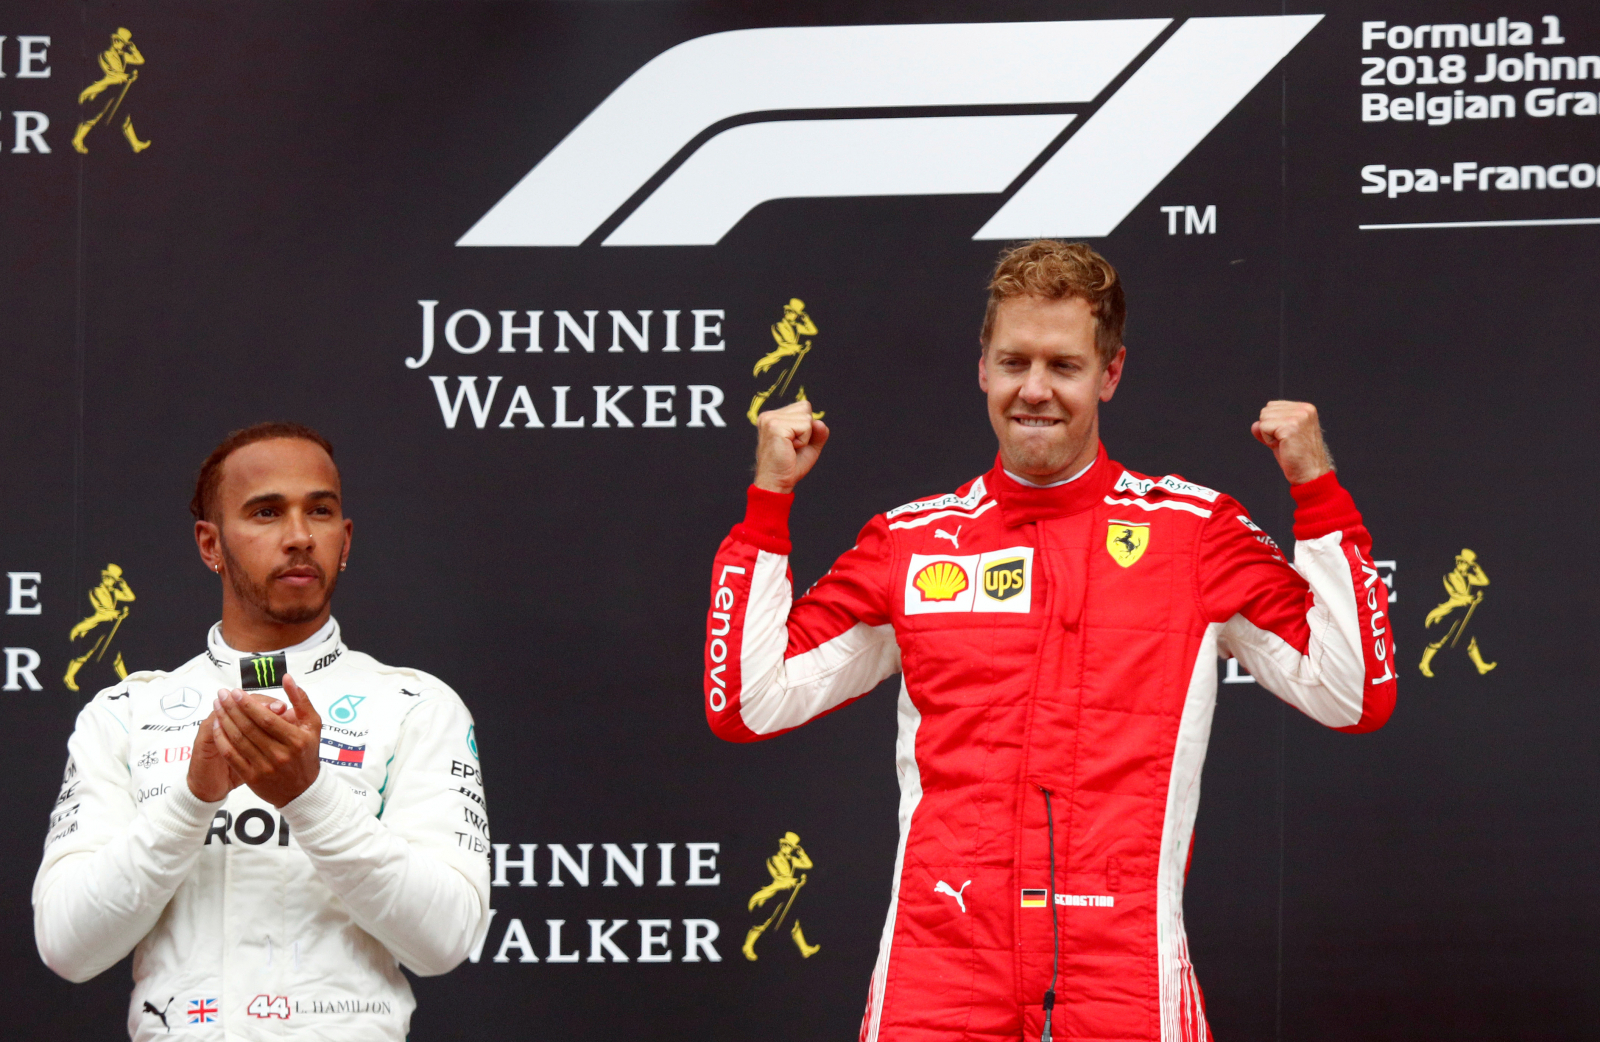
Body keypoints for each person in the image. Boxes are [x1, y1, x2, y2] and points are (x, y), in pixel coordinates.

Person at [702, 241, 1397, 1042]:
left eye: (1064, 366)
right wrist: (768, 504)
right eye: (1014, 362)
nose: (1035, 390)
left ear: (1110, 374)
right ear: (982, 370)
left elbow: (1354, 693)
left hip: (1124, 975)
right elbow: (748, 703)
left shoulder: (1192, 532)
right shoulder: (914, 542)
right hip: (939, 977)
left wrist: (1316, 490)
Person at [34, 422, 489, 1041]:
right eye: (267, 512)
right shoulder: (126, 712)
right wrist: (190, 803)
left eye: (320, 511)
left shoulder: (416, 706)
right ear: (209, 544)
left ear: (345, 538)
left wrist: (312, 799)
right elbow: (66, 946)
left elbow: (447, 942)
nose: (300, 536)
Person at [743, 830, 821, 960]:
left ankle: (804, 949)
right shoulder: (774, 859)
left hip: (786, 895)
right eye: (785, 845)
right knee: (764, 919)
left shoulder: (792, 860)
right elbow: (782, 878)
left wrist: (802, 854)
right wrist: (797, 881)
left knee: (792, 922)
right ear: (781, 845)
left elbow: (808, 865)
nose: (786, 848)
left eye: (789, 846)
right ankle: (747, 946)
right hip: (774, 894)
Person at [72, 27, 151, 154]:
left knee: (125, 116)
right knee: (94, 115)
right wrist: (128, 76)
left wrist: (133, 50)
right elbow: (114, 74)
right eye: (120, 42)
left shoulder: (123, 55)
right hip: (106, 88)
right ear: (114, 40)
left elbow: (140, 61)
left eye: (124, 43)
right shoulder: (106, 54)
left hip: (118, 90)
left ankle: (135, 144)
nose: (121, 45)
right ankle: (77, 139)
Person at [1419, 548, 1495, 676]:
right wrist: (1471, 598)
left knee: (1469, 638)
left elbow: (1485, 581)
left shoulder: (1469, 577)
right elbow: (1456, 595)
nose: (1460, 564)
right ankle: (1424, 663)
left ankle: (1480, 665)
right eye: (1459, 562)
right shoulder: (1450, 576)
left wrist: (1477, 569)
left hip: (1463, 612)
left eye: (1464, 562)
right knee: (1441, 637)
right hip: (1450, 611)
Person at [63, 562, 137, 692]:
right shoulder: (97, 590)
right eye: (106, 577)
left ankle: (127, 681)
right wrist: (119, 613)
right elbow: (104, 611)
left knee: (116, 654)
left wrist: (124, 586)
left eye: (111, 578)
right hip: (95, 626)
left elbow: (130, 597)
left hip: (108, 627)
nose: (107, 580)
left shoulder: (114, 592)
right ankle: (69, 676)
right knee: (85, 653)